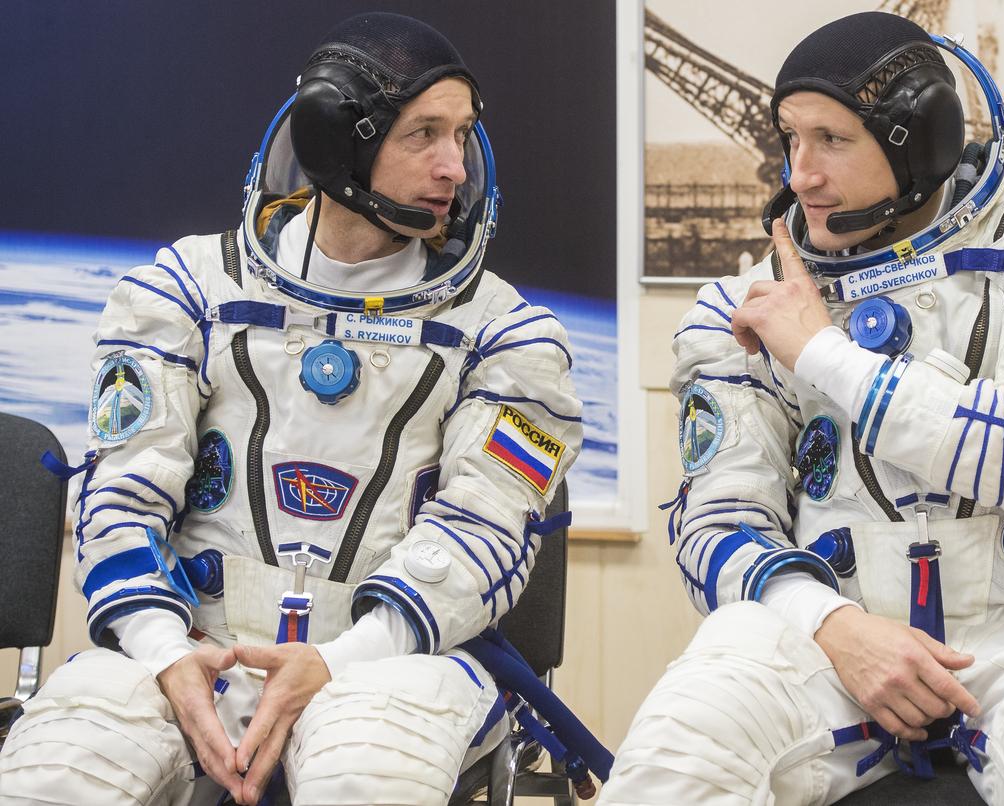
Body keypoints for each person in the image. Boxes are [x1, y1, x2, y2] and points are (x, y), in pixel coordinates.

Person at [0, 12, 581, 806]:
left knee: (365, 777)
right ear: (339, 144)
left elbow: (486, 528)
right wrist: (166, 651)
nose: (455, 166)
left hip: (391, 665)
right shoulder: (185, 293)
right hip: (192, 653)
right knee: (64, 766)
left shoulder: (512, 337)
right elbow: (121, 499)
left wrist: (339, 662)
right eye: (423, 136)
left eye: (463, 133)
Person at [600, 11, 1004, 805]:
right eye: (790, 139)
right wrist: (830, 626)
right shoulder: (742, 308)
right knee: (675, 757)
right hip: (835, 637)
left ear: (921, 141)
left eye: (831, 140)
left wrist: (823, 355)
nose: (800, 174)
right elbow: (717, 526)